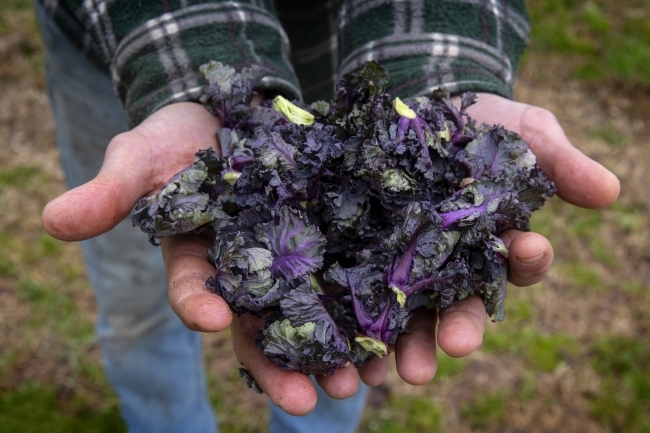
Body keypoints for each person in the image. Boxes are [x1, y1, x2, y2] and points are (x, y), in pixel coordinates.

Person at [36, 1, 620, 432]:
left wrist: (440, 70)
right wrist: (182, 70)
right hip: (128, 37)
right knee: (138, 306)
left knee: (335, 371)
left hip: (342, 42)